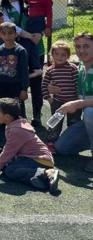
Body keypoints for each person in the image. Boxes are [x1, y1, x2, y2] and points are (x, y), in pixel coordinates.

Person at [0, 98, 59, 194]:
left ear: (7, 117)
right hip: (32, 157)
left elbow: (8, 151)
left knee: (10, 171)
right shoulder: (15, 123)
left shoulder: (16, 130)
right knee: (2, 160)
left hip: (40, 159)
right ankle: (41, 179)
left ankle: (46, 174)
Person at [53, 33, 93, 172]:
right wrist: (52, 87)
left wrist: (77, 104)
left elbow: (82, 104)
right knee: (62, 148)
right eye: (78, 46)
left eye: (86, 46)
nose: (82, 50)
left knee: (90, 112)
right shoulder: (80, 67)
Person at [42, 41, 79, 153]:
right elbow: (44, 85)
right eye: (57, 54)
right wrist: (49, 98)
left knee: (74, 123)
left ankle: (73, 142)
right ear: (52, 55)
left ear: (68, 56)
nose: (59, 57)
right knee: (55, 122)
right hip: (58, 101)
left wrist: (78, 100)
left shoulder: (72, 68)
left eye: (63, 55)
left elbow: (78, 84)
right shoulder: (50, 70)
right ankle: (51, 142)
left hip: (74, 101)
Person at [0, 22, 29, 121]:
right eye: (4, 33)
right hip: (2, 85)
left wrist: (24, 89)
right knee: (2, 109)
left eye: (10, 33)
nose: (7, 36)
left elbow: (25, 71)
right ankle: (3, 131)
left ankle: (20, 130)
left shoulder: (20, 51)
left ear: (16, 34)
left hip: (16, 86)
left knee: (17, 110)